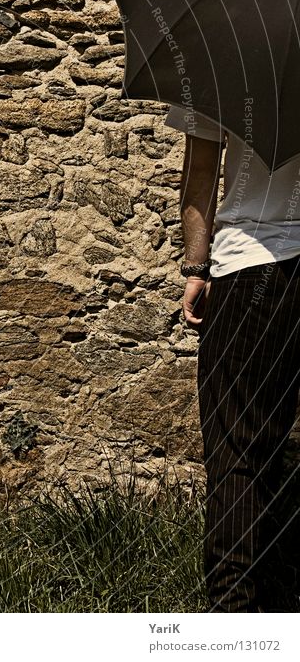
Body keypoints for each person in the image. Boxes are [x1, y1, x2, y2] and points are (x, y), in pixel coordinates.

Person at [164, 103, 300, 612]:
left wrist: (197, 267)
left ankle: (236, 620)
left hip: (252, 266)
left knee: (237, 449)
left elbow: (199, 176)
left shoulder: (220, 51)